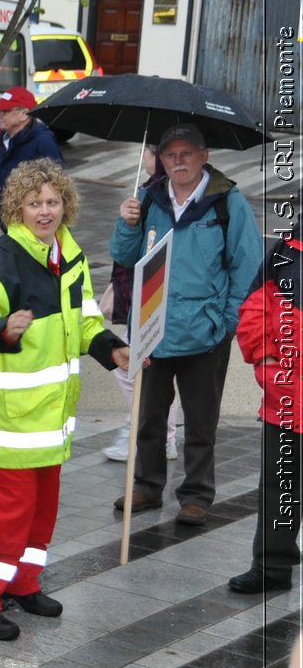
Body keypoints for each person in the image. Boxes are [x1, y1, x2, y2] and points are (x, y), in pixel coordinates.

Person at [0, 159, 128, 639]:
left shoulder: (70, 255)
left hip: (50, 418)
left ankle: (21, 582)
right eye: (34, 203)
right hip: (7, 420)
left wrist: (114, 349)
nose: (45, 211)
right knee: (4, 517)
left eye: (52, 201)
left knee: (41, 511)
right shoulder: (2, 257)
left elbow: (86, 321)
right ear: (16, 208)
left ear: (65, 204)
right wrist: (0, 329)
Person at [111, 123, 261, 525]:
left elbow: (247, 268)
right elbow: (123, 257)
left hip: (206, 332)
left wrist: (226, 323)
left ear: (204, 156)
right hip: (152, 328)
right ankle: (146, 485)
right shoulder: (147, 198)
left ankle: (196, 494)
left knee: (200, 421)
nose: (179, 161)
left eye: (186, 153)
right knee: (149, 417)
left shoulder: (228, 203)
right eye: (170, 154)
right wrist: (126, 223)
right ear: (160, 159)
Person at [230, 227, 302, 593]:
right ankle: (272, 569)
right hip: (287, 397)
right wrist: (266, 360)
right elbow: (255, 310)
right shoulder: (283, 254)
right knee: (280, 489)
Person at [0, 87, 64, 208]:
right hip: (11, 218)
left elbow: (56, 185)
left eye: (5, 111)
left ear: (24, 114)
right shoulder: (4, 141)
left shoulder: (42, 141)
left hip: (36, 220)